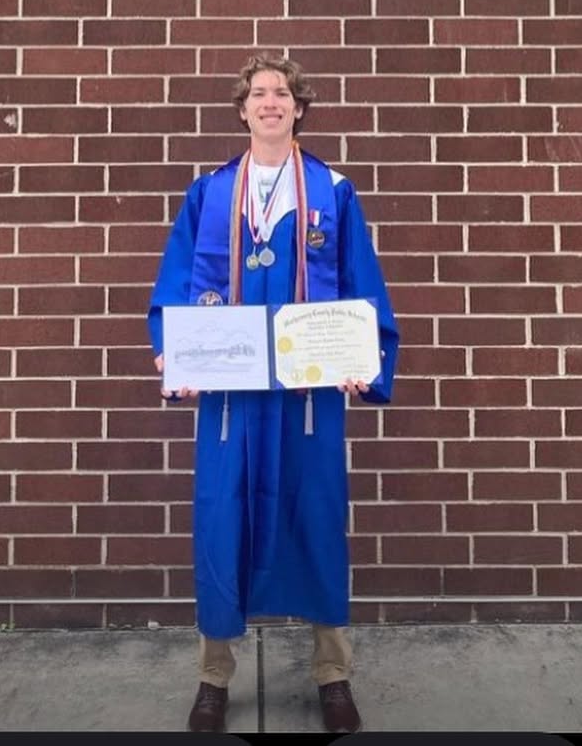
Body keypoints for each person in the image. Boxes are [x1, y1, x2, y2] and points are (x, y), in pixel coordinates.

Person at [147, 52, 400, 734]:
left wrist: (364, 359)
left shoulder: (332, 191)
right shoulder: (208, 194)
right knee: (220, 524)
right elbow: (176, 283)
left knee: (316, 520)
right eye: (258, 93)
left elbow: (362, 284)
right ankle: (213, 678)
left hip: (306, 400)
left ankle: (332, 673)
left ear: (298, 107)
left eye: (281, 93)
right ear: (242, 109)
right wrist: (174, 353)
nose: (269, 102)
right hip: (232, 403)